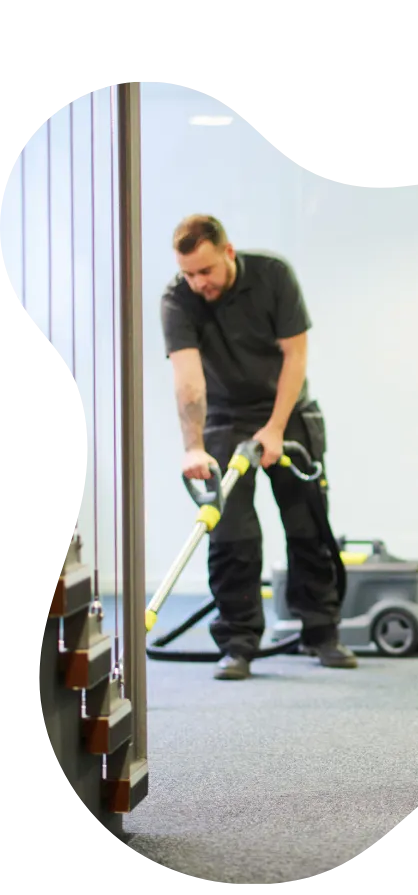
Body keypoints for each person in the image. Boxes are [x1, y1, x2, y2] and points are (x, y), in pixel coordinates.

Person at [160, 215, 357, 680]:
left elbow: (296, 356)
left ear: (228, 252)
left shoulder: (272, 276)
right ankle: (238, 643)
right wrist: (192, 446)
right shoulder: (177, 298)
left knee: (308, 526)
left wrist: (275, 428)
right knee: (230, 535)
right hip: (225, 420)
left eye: (205, 271)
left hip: (287, 412)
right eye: (189, 273)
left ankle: (321, 633)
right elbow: (188, 382)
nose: (197, 282)